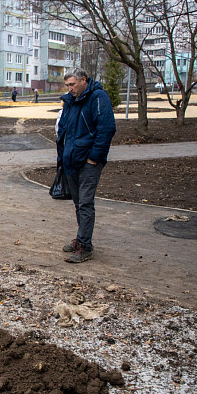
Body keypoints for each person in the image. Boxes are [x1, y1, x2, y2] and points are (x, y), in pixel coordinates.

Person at [56, 68, 116, 263]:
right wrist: (62, 157)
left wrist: (94, 158)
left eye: (72, 84)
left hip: (89, 161)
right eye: (67, 85)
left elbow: (106, 129)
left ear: (84, 80)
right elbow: (64, 130)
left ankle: (85, 247)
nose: (69, 89)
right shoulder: (70, 101)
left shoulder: (98, 97)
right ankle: (81, 238)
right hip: (71, 160)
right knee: (78, 203)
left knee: (85, 203)